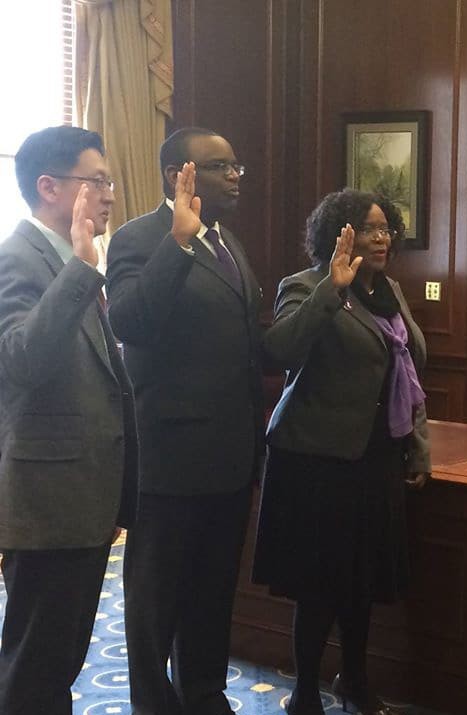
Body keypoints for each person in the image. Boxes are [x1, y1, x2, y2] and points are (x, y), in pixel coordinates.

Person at [252, 189, 431, 715]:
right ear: (340, 235)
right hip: (317, 463)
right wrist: (332, 289)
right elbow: (280, 350)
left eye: (385, 229)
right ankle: (304, 692)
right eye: (368, 228)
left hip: (375, 459)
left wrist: (416, 450)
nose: (381, 238)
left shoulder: (390, 290)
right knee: (320, 585)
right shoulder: (305, 285)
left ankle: (353, 680)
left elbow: (408, 372)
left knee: (361, 583)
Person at [105, 127, 264, 715]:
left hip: (227, 456)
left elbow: (243, 346)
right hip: (168, 459)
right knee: (154, 602)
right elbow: (130, 323)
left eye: (235, 165)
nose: (236, 176)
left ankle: (204, 694)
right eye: (222, 167)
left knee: (212, 593)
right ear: (180, 176)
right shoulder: (137, 239)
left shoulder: (229, 242)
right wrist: (177, 245)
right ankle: (153, 703)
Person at [0, 126, 138, 715]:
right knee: (34, 664)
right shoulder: (17, 258)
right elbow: (20, 360)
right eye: (96, 180)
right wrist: (82, 269)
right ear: (49, 187)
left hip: (81, 497)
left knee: (57, 661)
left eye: (108, 180)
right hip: (47, 503)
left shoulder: (73, 260)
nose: (108, 193)